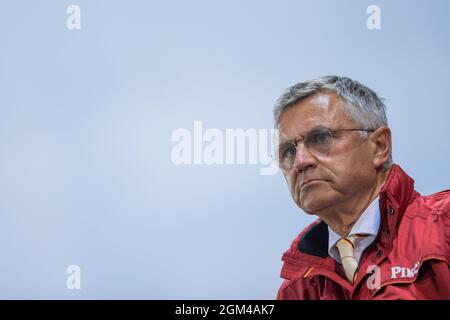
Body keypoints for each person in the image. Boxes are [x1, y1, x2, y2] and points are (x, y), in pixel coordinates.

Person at [274, 76, 450, 299]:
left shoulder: (444, 226)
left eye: (320, 138)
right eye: (288, 151)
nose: (300, 161)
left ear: (379, 146)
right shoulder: (298, 288)